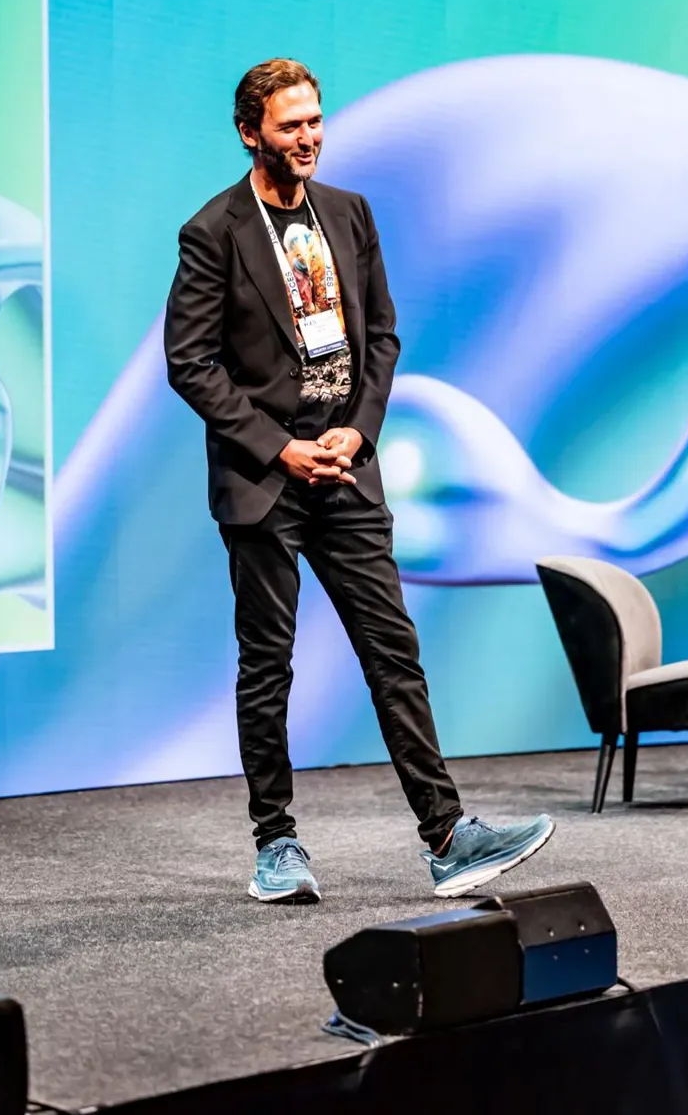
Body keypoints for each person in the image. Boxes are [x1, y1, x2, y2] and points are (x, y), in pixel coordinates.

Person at [164, 59, 554, 904]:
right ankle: (276, 845)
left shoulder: (349, 213)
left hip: (345, 472)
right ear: (250, 133)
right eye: (290, 125)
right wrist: (279, 448)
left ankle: (447, 837)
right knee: (268, 666)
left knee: (393, 654)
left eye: (314, 121)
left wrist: (359, 429)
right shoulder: (213, 232)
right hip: (265, 482)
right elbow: (190, 363)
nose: (308, 137)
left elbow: (381, 336)